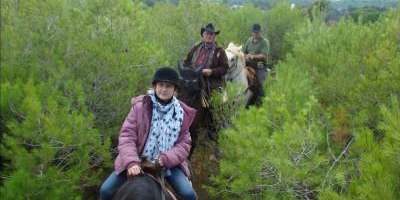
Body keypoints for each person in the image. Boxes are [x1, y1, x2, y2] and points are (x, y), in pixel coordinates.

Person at [99, 67, 197, 200]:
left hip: (167, 165)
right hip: (137, 159)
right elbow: (127, 136)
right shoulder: (140, 107)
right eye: (160, 85)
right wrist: (132, 162)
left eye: (168, 86)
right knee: (105, 190)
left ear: (175, 89)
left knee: (188, 194)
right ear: (155, 86)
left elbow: (184, 145)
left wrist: (165, 159)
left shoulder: (182, 115)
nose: (163, 89)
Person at [183, 23, 229, 96]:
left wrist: (211, 71)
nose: (209, 36)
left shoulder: (219, 50)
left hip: (211, 82)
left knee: (216, 102)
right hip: (194, 77)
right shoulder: (196, 47)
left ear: (214, 36)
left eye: (211, 34)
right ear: (203, 35)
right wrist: (189, 70)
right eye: (207, 33)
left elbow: (225, 68)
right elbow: (186, 62)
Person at [243, 23, 271, 103]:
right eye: (254, 32)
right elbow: (244, 52)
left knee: (260, 83)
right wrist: (245, 56)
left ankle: (261, 101)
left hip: (259, 66)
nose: (255, 34)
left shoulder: (264, 42)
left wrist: (253, 56)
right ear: (252, 32)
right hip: (248, 64)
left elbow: (264, 56)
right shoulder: (249, 40)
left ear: (260, 32)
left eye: (257, 32)